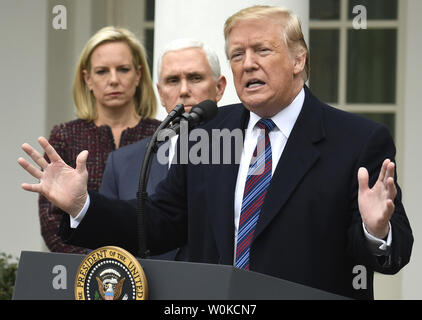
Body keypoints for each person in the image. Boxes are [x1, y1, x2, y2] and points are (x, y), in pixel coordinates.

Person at [19, 6, 413, 300]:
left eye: (262, 49)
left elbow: (394, 253)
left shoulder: (356, 139)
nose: (248, 64)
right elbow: (158, 223)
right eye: (237, 54)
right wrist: (83, 205)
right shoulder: (208, 130)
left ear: (298, 60)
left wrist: (376, 231)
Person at [99, 38, 227, 260]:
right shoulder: (122, 163)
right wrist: (78, 205)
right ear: (160, 92)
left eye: (195, 78)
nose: (184, 90)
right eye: (173, 80)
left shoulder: (245, 154)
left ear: (219, 87)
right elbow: (106, 248)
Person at [38, 26, 160, 254]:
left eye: (123, 69)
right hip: (81, 275)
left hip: (153, 271)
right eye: (102, 71)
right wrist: (98, 264)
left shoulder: (161, 135)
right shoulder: (65, 136)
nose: (113, 80)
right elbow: (51, 220)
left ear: (139, 74)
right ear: (88, 79)